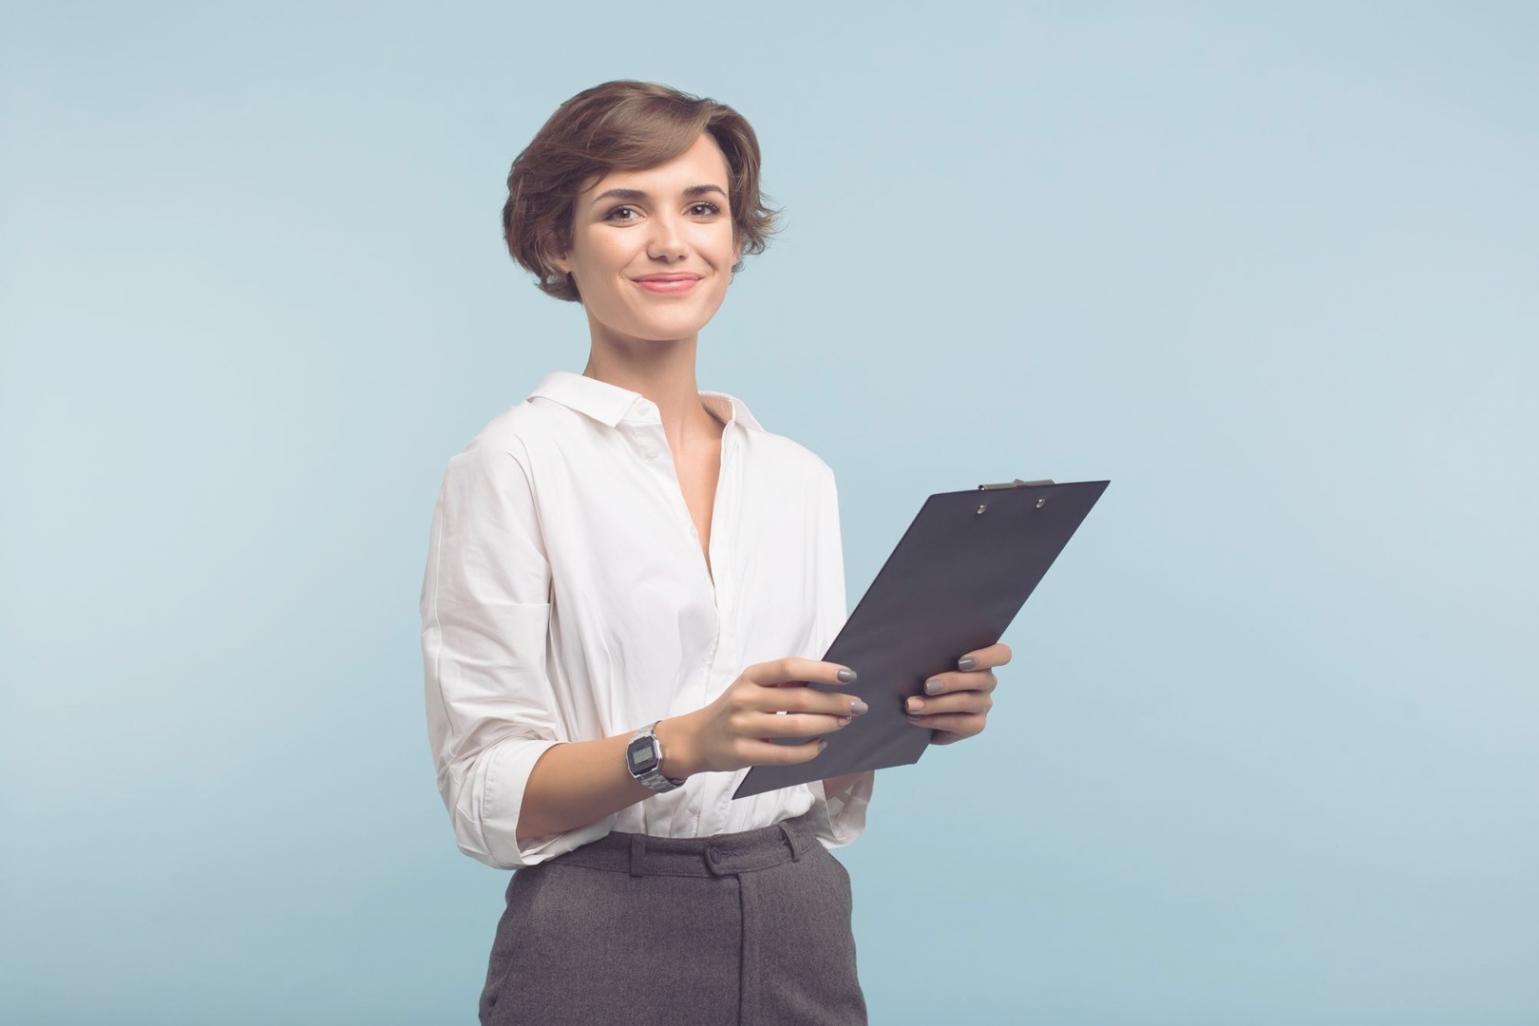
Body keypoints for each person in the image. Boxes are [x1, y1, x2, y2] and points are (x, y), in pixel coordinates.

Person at [420, 79, 1007, 1025]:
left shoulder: (796, 477)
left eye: (702, 207)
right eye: (623, 209)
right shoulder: (511, 464)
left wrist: (913, 707)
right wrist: (680, 744)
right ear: (553, 243)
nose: (671, 242)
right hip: (597, 928)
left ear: (736, 236)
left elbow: (816, 754)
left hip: (799, 912)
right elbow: (485, 794)